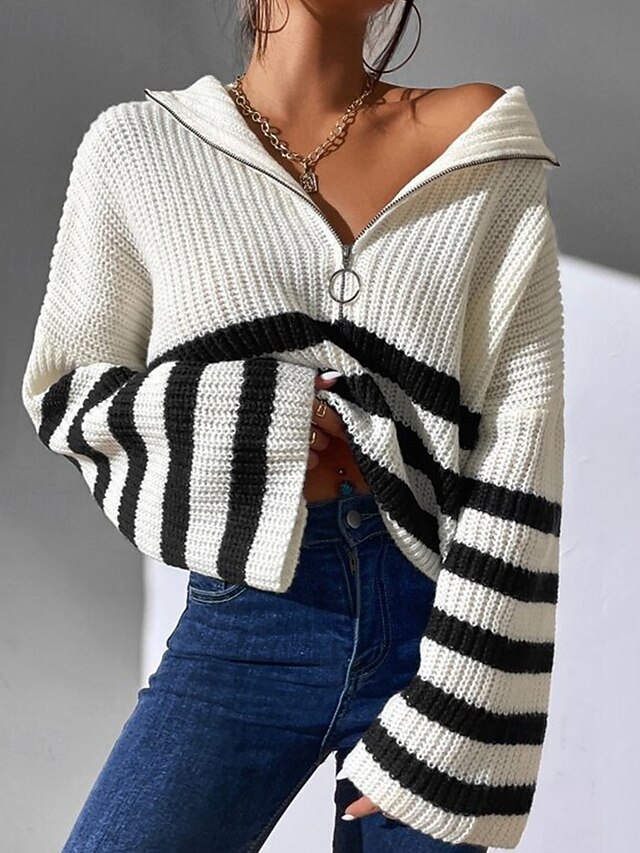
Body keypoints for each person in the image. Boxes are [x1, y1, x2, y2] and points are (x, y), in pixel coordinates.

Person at [21, 1, 565, 850]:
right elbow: (68, 394)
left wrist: (464, 701)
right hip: (246, 622)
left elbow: (521, 431)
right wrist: (256, 419)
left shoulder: (477, 138)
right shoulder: (138, 148)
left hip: (432, 624)